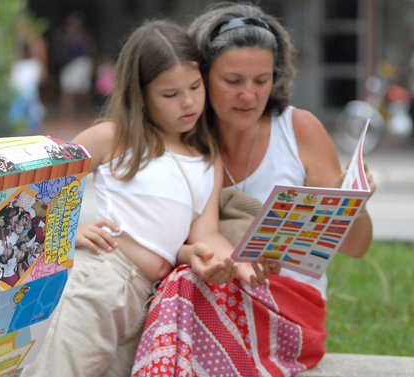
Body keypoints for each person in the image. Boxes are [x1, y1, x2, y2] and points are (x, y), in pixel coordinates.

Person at [132, 3, 377, 376]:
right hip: (207, 292)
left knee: (182, 293)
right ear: (201, 76)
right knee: (179, 288)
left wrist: (353, 204)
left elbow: (357, 248)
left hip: (290, 311)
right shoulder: (182, 141)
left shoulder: (299, 131)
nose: (249, 95)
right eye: (233, 81)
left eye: (261, 81)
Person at [16, 19, 270, 377]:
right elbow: (32, 188)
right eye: (170, 94)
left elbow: (206, 233)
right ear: (141, 94)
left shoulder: (206, 157)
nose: (187, 102)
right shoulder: (113, 138)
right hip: (100, 283)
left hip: (151, 303)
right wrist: (66, 234)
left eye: (195, 87)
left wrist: (240, 263)